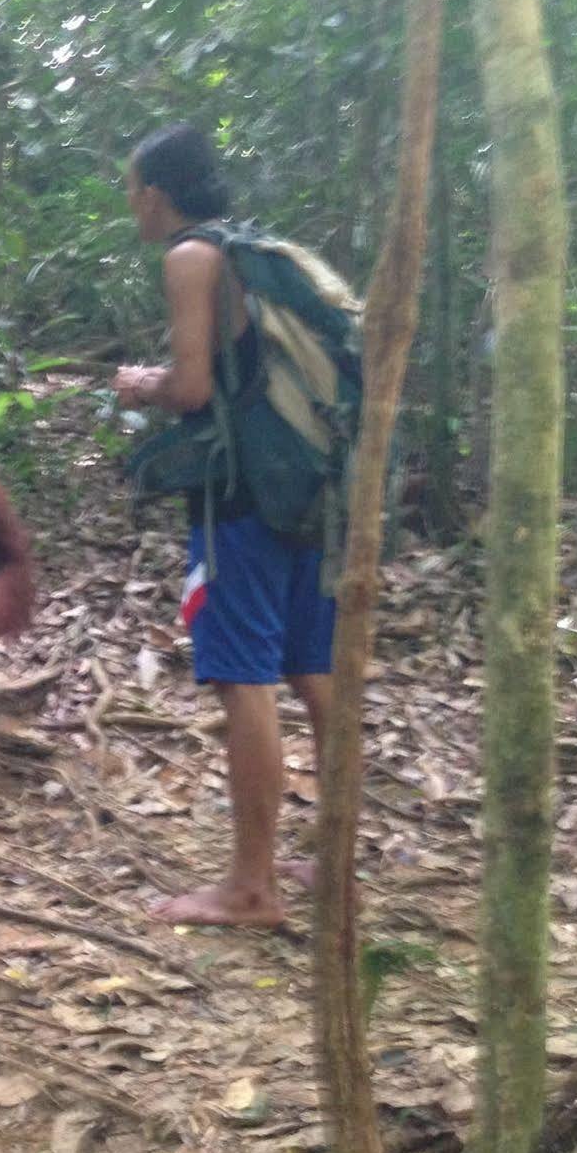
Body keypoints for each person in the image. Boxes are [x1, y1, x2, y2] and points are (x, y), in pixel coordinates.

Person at [112, 121, 332, 929]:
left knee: (244, 677)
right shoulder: (262, 249)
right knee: (316, 671)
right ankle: (333, 856)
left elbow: (195, 388)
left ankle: (251, 885)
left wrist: (143, 384)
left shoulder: (190, 258)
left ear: (157, 194)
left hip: (242, 494)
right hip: (311, 486)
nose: (131, 205)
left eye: (133, 190)